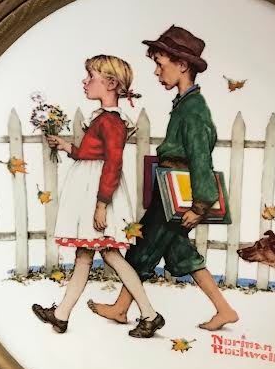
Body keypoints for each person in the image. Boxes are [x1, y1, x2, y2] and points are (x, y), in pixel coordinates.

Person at [89, 26, 239, 332]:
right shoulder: (184, 104)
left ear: (182, 65)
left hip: (178, 194)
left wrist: (200, 205)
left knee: (143, 247)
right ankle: (224, 309)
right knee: (179, 251)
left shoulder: (193, 110)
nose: (157, 72)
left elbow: (200, 158)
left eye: (160, 64)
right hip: (170, 191)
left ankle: (129, 311)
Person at [31, 54, 164, 338]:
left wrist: (102, 205)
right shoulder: (102, 119)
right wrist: (66, 146)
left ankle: (150, 315)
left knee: (111, 255)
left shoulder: (112, 122)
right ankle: (61, 315)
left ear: (111, 84)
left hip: (99, 196)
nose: (85, 81)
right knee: (85, 254)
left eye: (91, 77)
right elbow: (90, 153)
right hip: (91, 192)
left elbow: (113, 164)